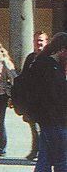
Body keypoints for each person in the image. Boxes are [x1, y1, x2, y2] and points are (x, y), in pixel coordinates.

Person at [26, 32, 67, 172]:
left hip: (48, 119)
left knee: (45, 158)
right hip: (55, 120)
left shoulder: (44, 64)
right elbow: (54, 97)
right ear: (62, 49)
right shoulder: (50, 67)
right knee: (61, 160)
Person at [22, 31, 49, 160]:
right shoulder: (30, 58)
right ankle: (35, 150)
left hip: (46, 99)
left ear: (46, 42)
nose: (38, 43)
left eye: (41, 40)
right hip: (32, 99)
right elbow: (24, 77)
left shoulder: (50, 57)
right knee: (34, 125)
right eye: (36, 40)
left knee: (45, 127)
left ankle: (43, 151)